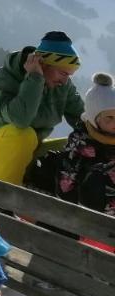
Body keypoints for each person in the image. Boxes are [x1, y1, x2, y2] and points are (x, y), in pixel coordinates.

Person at [0, 32, 84, 185]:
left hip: (31, 150)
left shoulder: (63, 87)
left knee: (80, 147)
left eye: (69, 75)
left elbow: (85, 120)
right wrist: (35, 78)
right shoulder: (2, 80)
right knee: (23, 135)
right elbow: (20, 119)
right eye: (62, 73)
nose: (65, 81)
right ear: (42, 64)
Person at [49, 71, 115, 215]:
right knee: (97, 176)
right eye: (109, 118)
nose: (114, 123)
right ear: (94, 118)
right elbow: (66, 181)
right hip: (88, 212)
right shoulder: (81, 141)